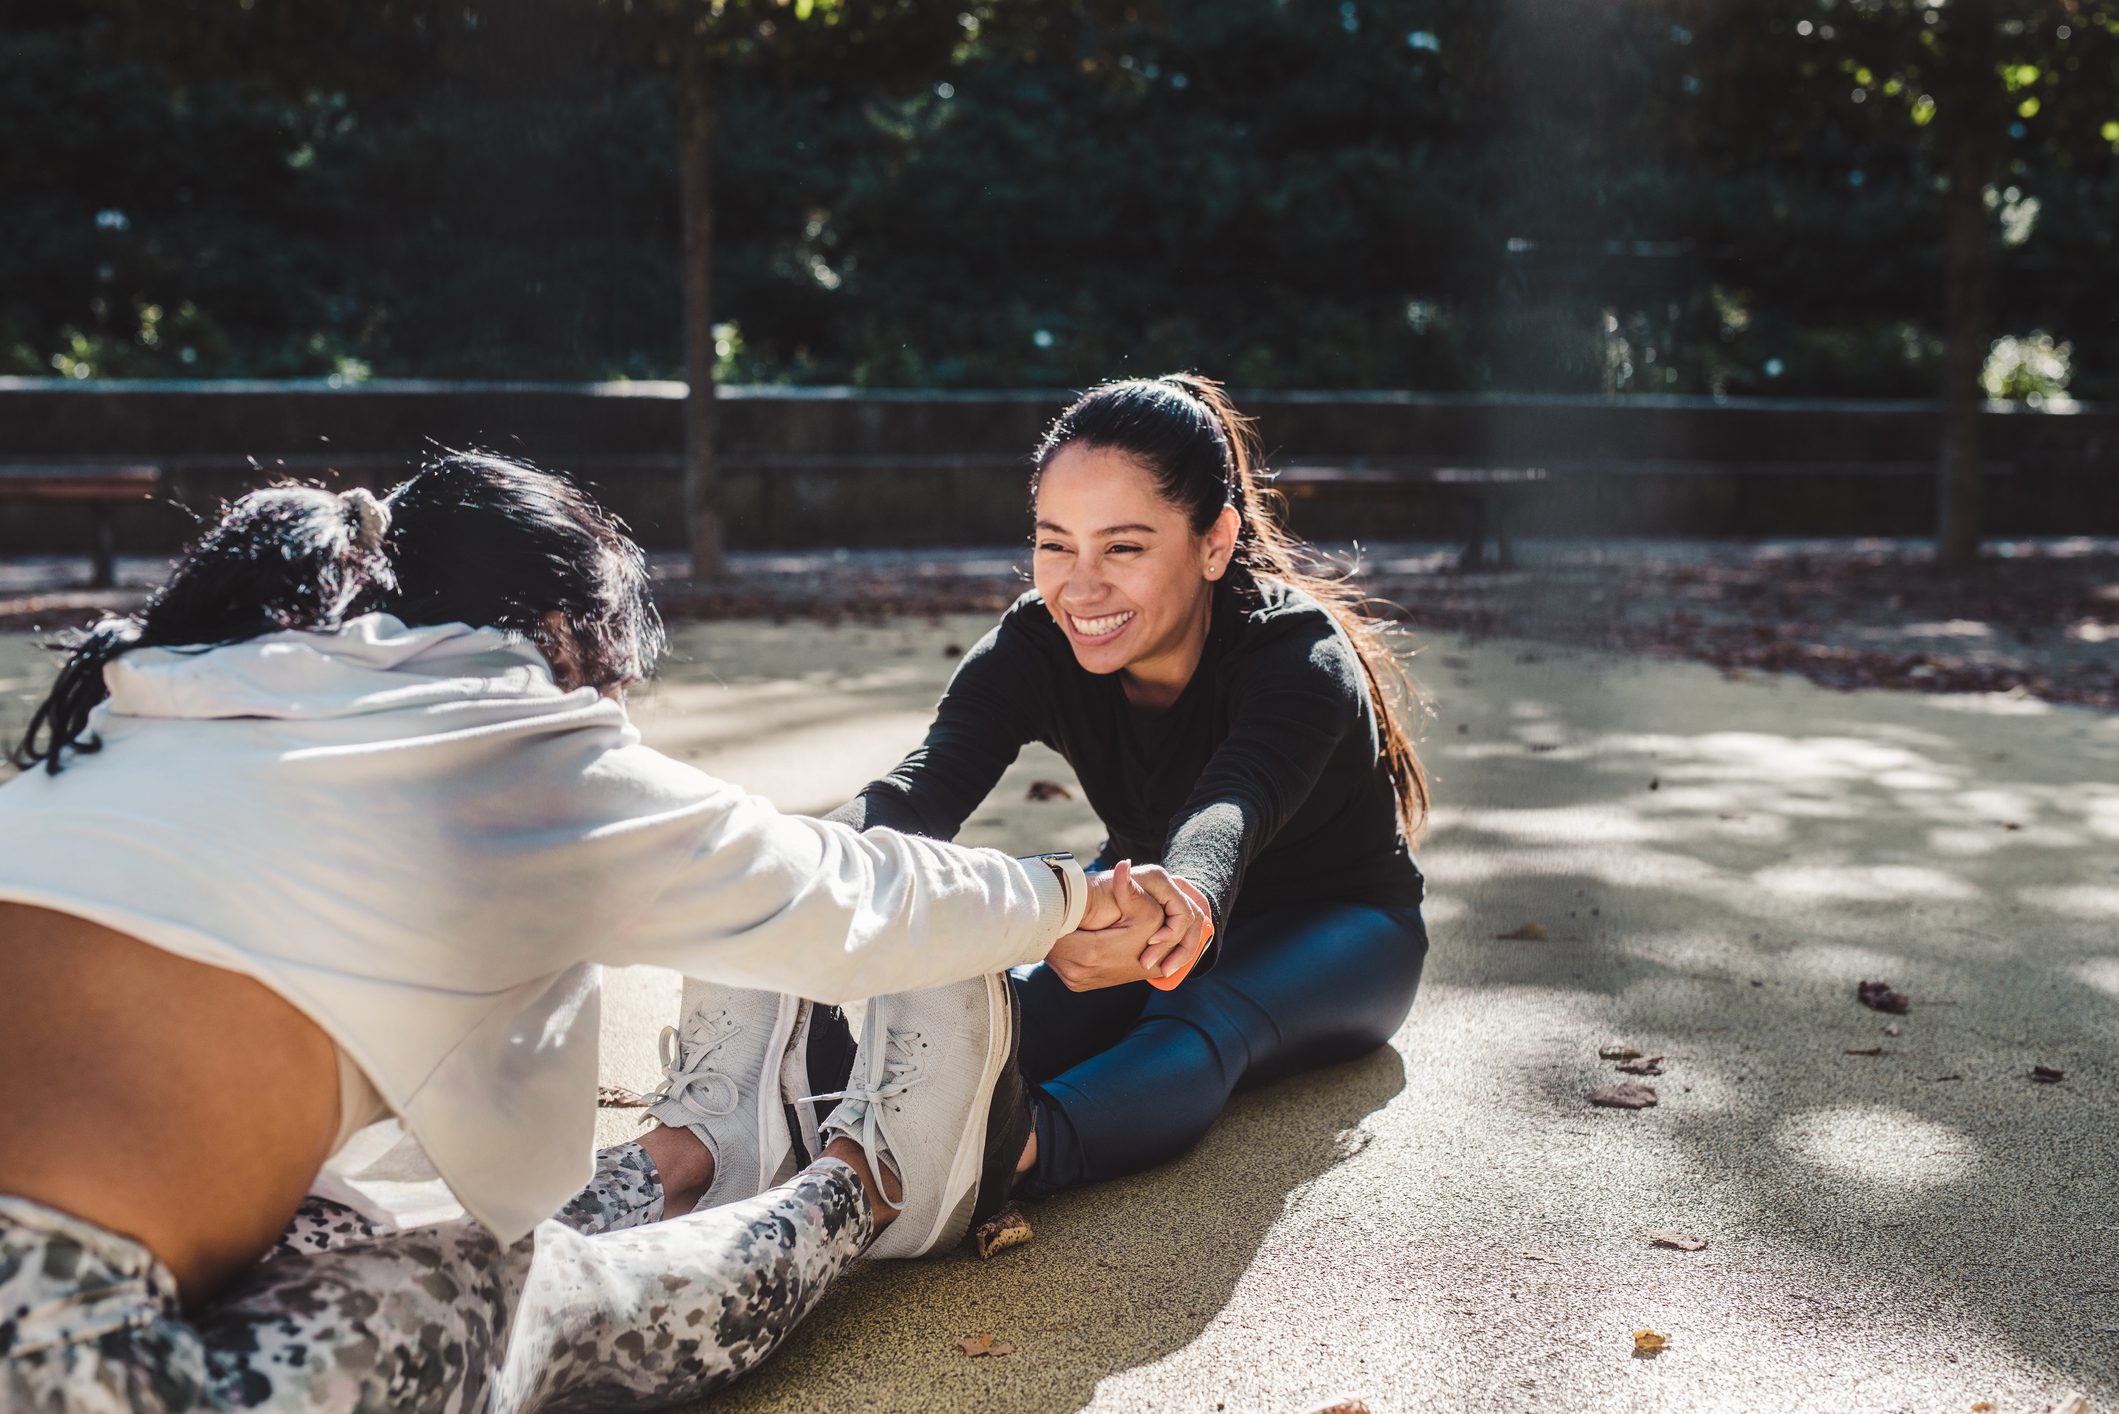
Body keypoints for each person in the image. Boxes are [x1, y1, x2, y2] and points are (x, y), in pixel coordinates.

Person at [0, 452, 1207, 1412]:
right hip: (60, 1363)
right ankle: (870, 1185)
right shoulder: (508, 741)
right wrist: (1071, 899)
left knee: (356, 1230)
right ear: (555, 634)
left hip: (85, 1272)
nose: (616, 716)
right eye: (617, 678)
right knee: (502, 1290)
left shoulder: (163, 694)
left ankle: (686, 1152)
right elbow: (836, 896)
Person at [828, 374, 1431, 1199]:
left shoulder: (1296, 653)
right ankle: (824, 1133)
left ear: (1213, 542)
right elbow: (919, 789)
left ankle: (983, 1164)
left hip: (1342, 928)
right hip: (1151, 902)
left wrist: (1182, 898)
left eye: (1123, 547)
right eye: (1054, 543)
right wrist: (806, 858)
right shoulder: (1033, 645)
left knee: (1191, 1015)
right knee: (1007, 1021)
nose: (1079, 587)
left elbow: (1229, 807)